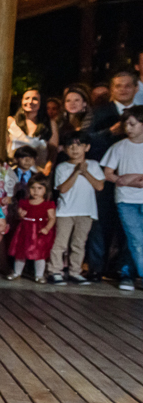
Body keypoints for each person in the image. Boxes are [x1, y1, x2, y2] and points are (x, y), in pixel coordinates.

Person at [84, 71, 137, 283]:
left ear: (136, 88)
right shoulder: (98, 111)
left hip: (134, 177)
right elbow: (84, 139)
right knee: (101, 223)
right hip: (104, 176)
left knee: (129, 227)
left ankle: (122, 269)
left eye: (127, 85)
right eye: (118, 86)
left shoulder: (140, 113)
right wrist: (109, 133)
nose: (123, 89)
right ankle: (96, 268)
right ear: (112, 89)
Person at [47, 132, 103, 285]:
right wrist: (76, 172)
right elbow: (63, 189)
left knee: (79, 243)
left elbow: (99, 186)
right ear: (65, 149)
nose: (74, 149)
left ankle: (75, 272)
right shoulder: (62, 167)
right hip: (65, 211)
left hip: (86, 211)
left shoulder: (93, 165)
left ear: (87, 147)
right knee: (60, 242)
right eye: (70, 146)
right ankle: (55, 271)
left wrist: (85, 171)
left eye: (79, 145)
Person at [101, 105, 143, 291]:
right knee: (135, 238)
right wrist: (122, 180)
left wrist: (131, 178)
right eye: (126, 124)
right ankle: (130, 274)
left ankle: (129, 273)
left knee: (136, 240)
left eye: (133, 124)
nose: (128, 128)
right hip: (126, 200)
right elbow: (108, 173)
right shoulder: (118, 147)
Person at [5, 175, 55, 283]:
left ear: (45, 190)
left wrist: (47, 228)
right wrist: (20, 214)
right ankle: (17, 272)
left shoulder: (48, 204)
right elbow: (19, 215)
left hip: (39, 231)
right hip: (25, 230)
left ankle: (39, 275)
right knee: (20, 252)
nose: (36, 191)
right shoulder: (24, 202)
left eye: (39, 188)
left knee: (39, 254)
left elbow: (52, 218)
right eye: (33, 188)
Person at [7, 88, 56, 172]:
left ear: (41, 103)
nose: (30, 102)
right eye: (27, 98)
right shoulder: (10, 121)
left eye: (35, 99)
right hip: (13, 171)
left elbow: (53, 151)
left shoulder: (49, 124)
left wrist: (48, 169)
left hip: (37, 172)